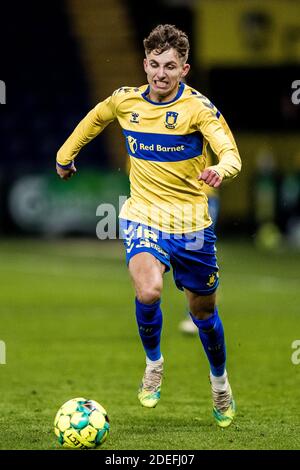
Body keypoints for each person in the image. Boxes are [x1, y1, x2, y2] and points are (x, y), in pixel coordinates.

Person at [56, 24, 242, 428]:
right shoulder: (126, 101)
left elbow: (229, 151)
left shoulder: (198, 109)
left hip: (191, 225)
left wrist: (220, 169)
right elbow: (94, 119)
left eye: (170, 66)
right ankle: (154, 364)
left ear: (184, 69)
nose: (160, 73)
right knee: (148, 289)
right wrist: (64, 156)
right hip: (143, 216)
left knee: (203, 313)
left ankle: (220, 381)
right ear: (145, 64)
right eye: (154, 65)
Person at [179, 153, 220, 335]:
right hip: (175, 201)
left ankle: (200, 313)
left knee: (194, 256)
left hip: (200, 199)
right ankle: (200, 312)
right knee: (186, 256)